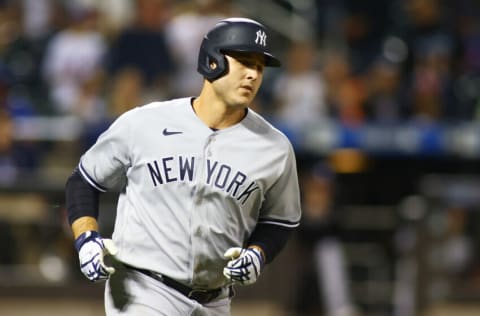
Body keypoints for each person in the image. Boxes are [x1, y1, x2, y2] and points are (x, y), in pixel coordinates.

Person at [65, 17, 302, 316]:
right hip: (142, 289)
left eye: (259, 67)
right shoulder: (145, 123)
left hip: (216, 299)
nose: (252, 75)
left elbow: (281, 220)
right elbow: (84, 181)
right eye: (243, 61)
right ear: (213, 61)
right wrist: (87, 239)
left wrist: (257, 253)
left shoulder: (275, 147)